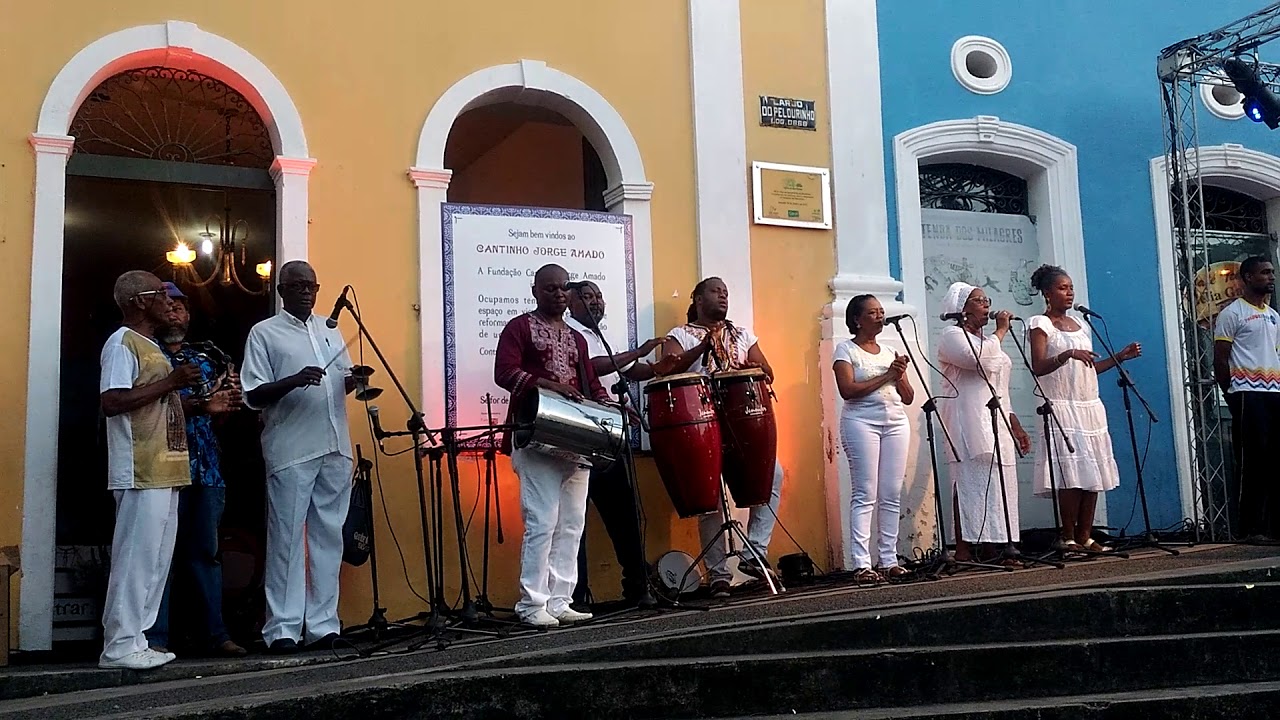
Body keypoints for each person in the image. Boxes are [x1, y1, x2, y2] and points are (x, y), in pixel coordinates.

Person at [241, 261, 357, 653]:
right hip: (292, 449)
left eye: (311, 285)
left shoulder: (330, 329)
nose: (306, 291)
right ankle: (283, 628)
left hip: (334, 445)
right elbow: (252, 395)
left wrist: (354, 381)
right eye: (297, 285)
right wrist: (292, 380)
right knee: (288, 540)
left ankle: (323, 625)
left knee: (329, 538)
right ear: (281, 290)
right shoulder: (264, 333)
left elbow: (338, 384)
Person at [493, 264, 612, 627]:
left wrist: (610, 408)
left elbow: (591, 383)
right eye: (550, 289)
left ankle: (560, 599)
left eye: (563, 289)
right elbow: (504, 372)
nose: (558, 294)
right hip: (536, 436)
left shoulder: (578, 338)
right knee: (542, 522)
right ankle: (532, 603)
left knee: (573, 523)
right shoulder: (518, 328)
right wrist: (548, 385)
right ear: (535, 291)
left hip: (576, 441)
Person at [652, 276, 783, 598]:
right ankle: (719, 574)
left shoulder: (741, 333)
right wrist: (702, 347)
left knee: (774, 476)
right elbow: (665, 368)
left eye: (726, 292)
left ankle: (755, 552)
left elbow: (767, 371)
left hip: (741, 419)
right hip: (698, 422)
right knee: (709, 496)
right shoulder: (680, 335)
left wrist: (753, 365)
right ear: (698, 298)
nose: (723, 296)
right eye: (715, 291)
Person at [98, 270, 202, 670]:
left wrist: (187, 400)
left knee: (156, 561)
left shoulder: (149, 345)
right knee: (136, 558)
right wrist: (172, 381)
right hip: (140, 466)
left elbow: (153, 403)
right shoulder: (122, 344)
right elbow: (112, 401)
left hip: (165, 467)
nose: (168, 299)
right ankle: (119, 646)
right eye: (159, 293)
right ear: (139, 301)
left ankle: (137, 638)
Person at [145, 283, 248, 657]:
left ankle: (215, 636)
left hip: (206, 469)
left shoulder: (207, 357)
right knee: (159, 554)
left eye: (182, 307)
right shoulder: (145, 355)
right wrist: (205, 404)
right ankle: (154, 639)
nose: (175, 311)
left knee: (206, 553)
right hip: (158, 468)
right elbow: (145, 409)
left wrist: (228, 402)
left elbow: (221, 417)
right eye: (168, 304)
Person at [1027, 265, 1140, 553]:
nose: (1069, 293)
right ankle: (1067, 537)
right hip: (1061, 406)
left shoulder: (1081, 324)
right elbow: (1038, 367)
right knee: (1070, 473)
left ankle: (1086, 536)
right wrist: (1067, 353)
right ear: (1047, 293)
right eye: (1063, 288)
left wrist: (1119, 357)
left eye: (1071, 287)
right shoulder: (1040, 323)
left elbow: (1091, 367)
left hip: (1088, 405)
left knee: (1092, 472)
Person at [565, 281, 663, 609]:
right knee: (573, 517)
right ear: (571, 303)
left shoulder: (604, 338)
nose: (595, 302)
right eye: (587, 297)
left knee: (624, 513)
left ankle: (637, 587)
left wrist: (664, 366)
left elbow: (631, 370)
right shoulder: (568, 334)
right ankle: (575, 598)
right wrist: (639, 350)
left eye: (599, 297)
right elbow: (592, 368)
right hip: (579, 435)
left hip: (611, 435)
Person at [935, 282, 1031, 566]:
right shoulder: (952, 336)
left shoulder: (989, 341)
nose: (987, 304)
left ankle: (998, 548)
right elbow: (978, 362)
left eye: (986, 299)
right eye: (979, 301)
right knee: (969, 482)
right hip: (968, 419)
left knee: (1000, 485)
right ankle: (964, 549)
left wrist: (1015, 424)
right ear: (962, 309)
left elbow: (1001, 387)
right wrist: (1001, 330)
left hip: (996, 419)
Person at [832, 295, 915, 583]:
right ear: (857, 319)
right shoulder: (845, 350)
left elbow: (908, 397)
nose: (880, 316)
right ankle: (861, 563)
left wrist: (900, 375)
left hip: (895, 423)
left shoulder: (890, 351)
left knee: (891, 494)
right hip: (861, 422)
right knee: (865, 493)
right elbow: (848, 390)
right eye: (872, 312)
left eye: (882, 312)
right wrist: (887, 375)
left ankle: (889, 559)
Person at [1213, 256, 1280, 542]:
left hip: (1273, 393)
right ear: (1248, 278)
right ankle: (1249, 528)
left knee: (1274, 461)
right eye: (1264, 273)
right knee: (1252, 461)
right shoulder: (1233, 314)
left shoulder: (1274, 316)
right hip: (1246, 393)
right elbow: (1220, 359)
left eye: (1272, 272)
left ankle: (1272, 527)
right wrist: (1230, 392)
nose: (1271, 277)